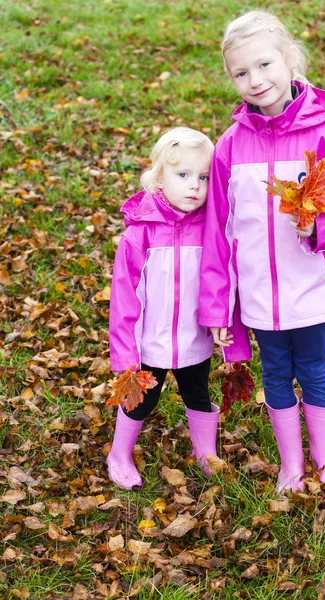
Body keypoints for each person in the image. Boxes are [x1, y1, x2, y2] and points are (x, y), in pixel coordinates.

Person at [199, 11, 325, 493]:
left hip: (310, 285)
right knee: (276, 372)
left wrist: (320, 227)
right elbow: (219, 230)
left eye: (264, 65)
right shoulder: (229, 148)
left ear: (290, 60)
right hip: (259, 292)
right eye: (241, 72)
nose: (255, 80)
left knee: (314, 370)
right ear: (230, 78)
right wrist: (218, 304)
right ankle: (291, 468)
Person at [107, 127, 251, 490]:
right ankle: (120, 454)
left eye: (203, 177)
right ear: (158, 179)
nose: (194, 186)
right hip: (150, 344)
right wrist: (126, 355)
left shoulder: (211, 231)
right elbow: (125, 299)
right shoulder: (139, 235)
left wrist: (230, 340)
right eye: (183, 175)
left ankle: (205, 452)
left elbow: (225, 283)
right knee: (142, 401)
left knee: (198, 395)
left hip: (195, 340)